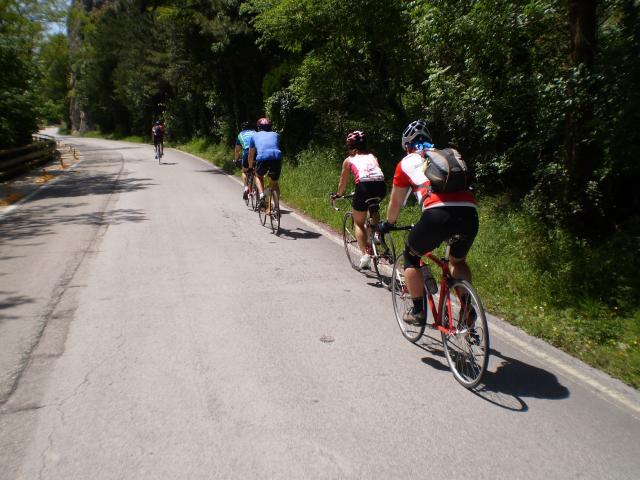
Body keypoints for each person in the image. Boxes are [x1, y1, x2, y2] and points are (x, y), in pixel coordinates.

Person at [379, 120, 478, 325]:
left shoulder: (406, 162)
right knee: (457, 261)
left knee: (411, 256)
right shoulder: (445, 156)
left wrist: (388, 223)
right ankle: (468, 308)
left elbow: (396, 202)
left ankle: (417, 312)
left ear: (407, 145)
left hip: (437, 214)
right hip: (469, 213)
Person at [332, 130, 386, 270]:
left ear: (351, 147)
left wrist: (338, 194)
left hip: (363, 187)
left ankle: (365, 255)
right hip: (381, 187)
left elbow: (343, 182)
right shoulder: (373, 157)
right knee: (373, 206)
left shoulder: (349, 160)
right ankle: (377, 232)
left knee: (359, 222)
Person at [247, 117, 283, 207]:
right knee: (275, 183)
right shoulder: (276, 135)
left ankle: (262, 195)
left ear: (258, 127)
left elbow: (251, 155)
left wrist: (250, 167)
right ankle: (276, 206)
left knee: (258, 176)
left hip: (263, 157)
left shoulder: (254, 136)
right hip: (277, 157)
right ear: (270, 126)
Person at [234, 121, 256, 200]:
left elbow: (237, 150)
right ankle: (257, 188)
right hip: (257, 152)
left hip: (247, 153)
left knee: (244, 171)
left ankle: (246, 188)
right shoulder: (255, 132)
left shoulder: (240, 135)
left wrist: (236, 160)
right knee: (256, 171)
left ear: (242, 128)